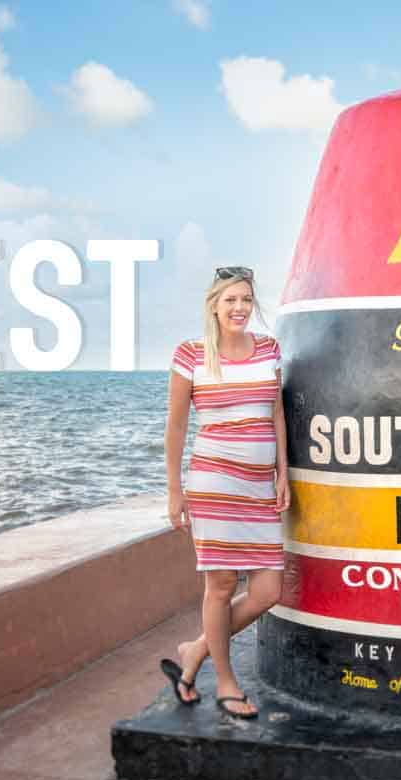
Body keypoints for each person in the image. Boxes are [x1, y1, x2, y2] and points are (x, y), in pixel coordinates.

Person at [159, 265, 289, 720]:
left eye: (246, 300)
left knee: (269, 589)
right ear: (213, 305)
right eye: (230, 300)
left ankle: (195, 651)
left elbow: (276, 414)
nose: (239, 309)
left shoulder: (269, 349)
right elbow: (176, 427)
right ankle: (227, 682)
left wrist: (283, 474)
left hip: (258, 486)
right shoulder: (191, 355)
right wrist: (175, 490)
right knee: (220, 586)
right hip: (213, 482)